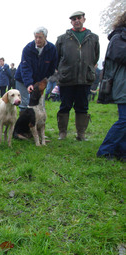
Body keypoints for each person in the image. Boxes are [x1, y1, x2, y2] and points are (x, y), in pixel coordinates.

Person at [55, 11, 100, 141]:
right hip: (67, 79)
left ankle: (81, 134)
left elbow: (95, 57)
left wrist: (88, 68)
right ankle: (62, 133)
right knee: (65, 105)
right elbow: (57, 58)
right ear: (71, 22)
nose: (76, 20)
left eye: (78, 18)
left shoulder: (93, 38)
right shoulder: (62, 38)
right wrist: (64, 71)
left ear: (84, 19)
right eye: (74, 19)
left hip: (84, 79)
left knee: (82, 106)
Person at [96, 12, 126, 161]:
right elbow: (121, 56)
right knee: (124, 120)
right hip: (122, 84)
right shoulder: (118, 37)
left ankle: (121, 152)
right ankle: (105, 150)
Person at [15, 26, 58, 112]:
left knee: (39, 104)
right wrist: (29, 84)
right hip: (23, 79)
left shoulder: (52, 49)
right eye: (36, 37)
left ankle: (38, 124)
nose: (37, 39)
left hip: (39, 80)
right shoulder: (28, 49)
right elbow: (26, 68)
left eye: (40, 37)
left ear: (45, 37)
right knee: (25, 103)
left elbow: (52, 66)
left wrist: (43, 80)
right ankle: (23, 124)